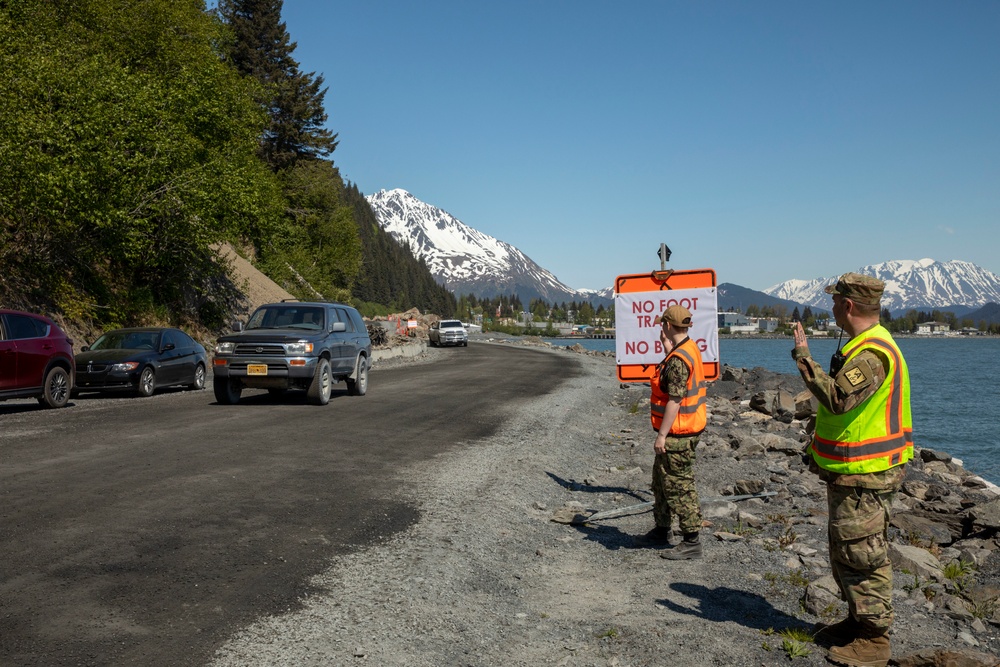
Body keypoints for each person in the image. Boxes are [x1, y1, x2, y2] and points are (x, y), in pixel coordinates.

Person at [791, 273, 912, 667]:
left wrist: (804, 357)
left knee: (863, 554)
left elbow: (840, 398)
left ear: (848, 306)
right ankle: (857, 620)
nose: (831, 307)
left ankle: (875, 639)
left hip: (868, 474)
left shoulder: (873, 354)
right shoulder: (864, 346)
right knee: (845, 550)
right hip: (853, 472)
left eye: (835, 301)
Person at [633, 305, 707, 560]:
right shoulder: (686, 348)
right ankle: (662, 529)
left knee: (679, 485)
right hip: (686, 428)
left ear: (666, 325)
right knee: (661, 482)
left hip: (678, 433)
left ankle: (691, 541)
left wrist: (661, 435)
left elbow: (675, 399)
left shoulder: (678, 359)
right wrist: (667, 346)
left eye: (662, 325)